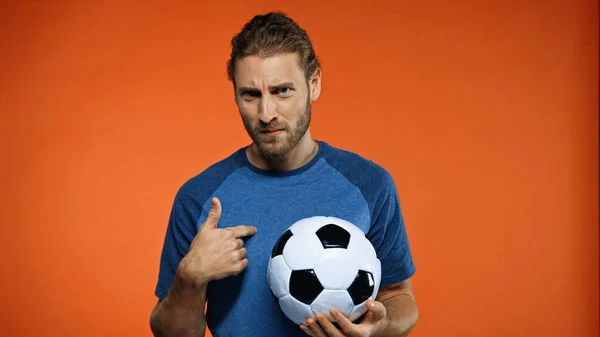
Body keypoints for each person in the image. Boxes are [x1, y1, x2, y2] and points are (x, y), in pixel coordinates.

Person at [149, 11, 419, 337]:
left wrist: (378, 328)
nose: (266, 114)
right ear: (235, 94)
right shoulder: (200, 196)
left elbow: (401, 299)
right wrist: (190, 276)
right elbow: (171, 333)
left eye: (282, 91)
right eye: (251, 95)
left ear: (314, 83)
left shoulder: (370, 184)